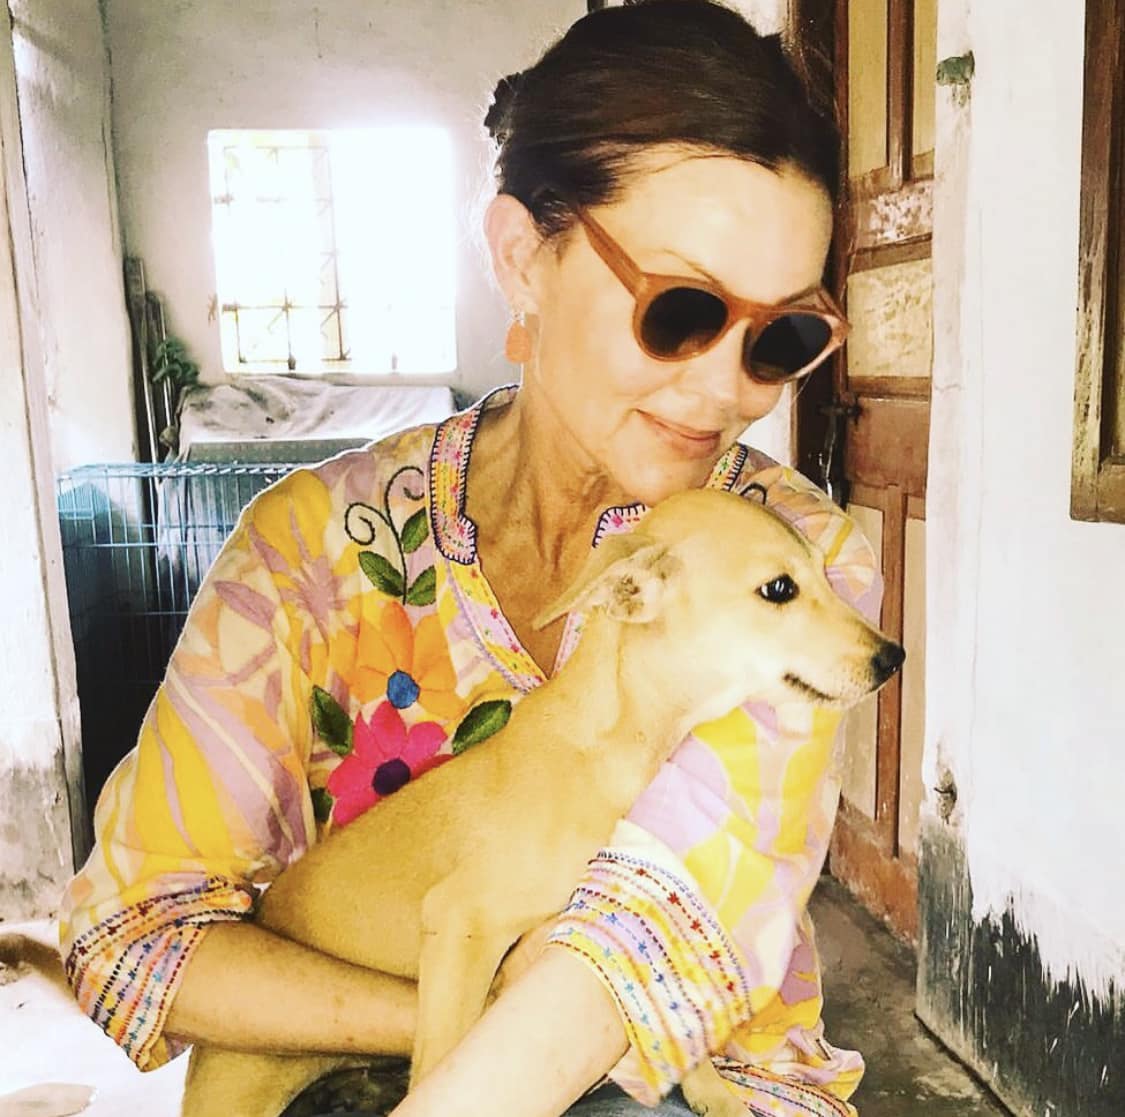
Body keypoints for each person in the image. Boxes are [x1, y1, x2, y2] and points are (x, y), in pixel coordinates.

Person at [60, 2, 883, 1115]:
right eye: (683, 309)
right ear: (522, 258)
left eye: (782, 335)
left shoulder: (804, 566)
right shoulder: (303, 553)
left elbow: (635, 953)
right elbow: (135, 938)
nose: (732, 388)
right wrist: (434, 1010)